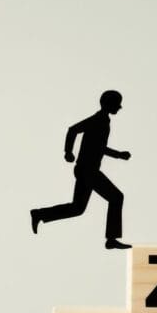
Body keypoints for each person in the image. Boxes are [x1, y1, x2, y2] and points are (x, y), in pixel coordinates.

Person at [30, 90, 132, 249]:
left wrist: (118, 154)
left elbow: (98, 147)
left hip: (87, 170)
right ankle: (111, 239)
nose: (119, 107)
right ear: (109, 104)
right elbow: (73, 129)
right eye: (117, 104)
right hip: (87, 170)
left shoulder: (104, 121)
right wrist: (68, 152)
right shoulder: (98, 119)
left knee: (77, 208)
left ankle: (40, 214)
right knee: (116, 197)